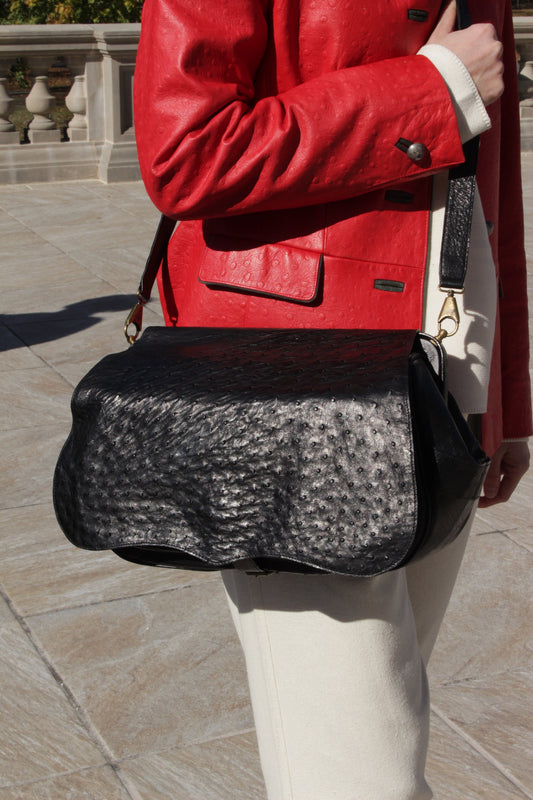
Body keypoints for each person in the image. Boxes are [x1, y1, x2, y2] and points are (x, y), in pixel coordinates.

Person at [134, 1, 531, 797]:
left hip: (450, 371)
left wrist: (508, 401)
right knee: (361, 772)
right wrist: (433, 87)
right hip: (295, 389)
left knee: (380, 721)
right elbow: (184, 153)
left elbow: (490, 199)